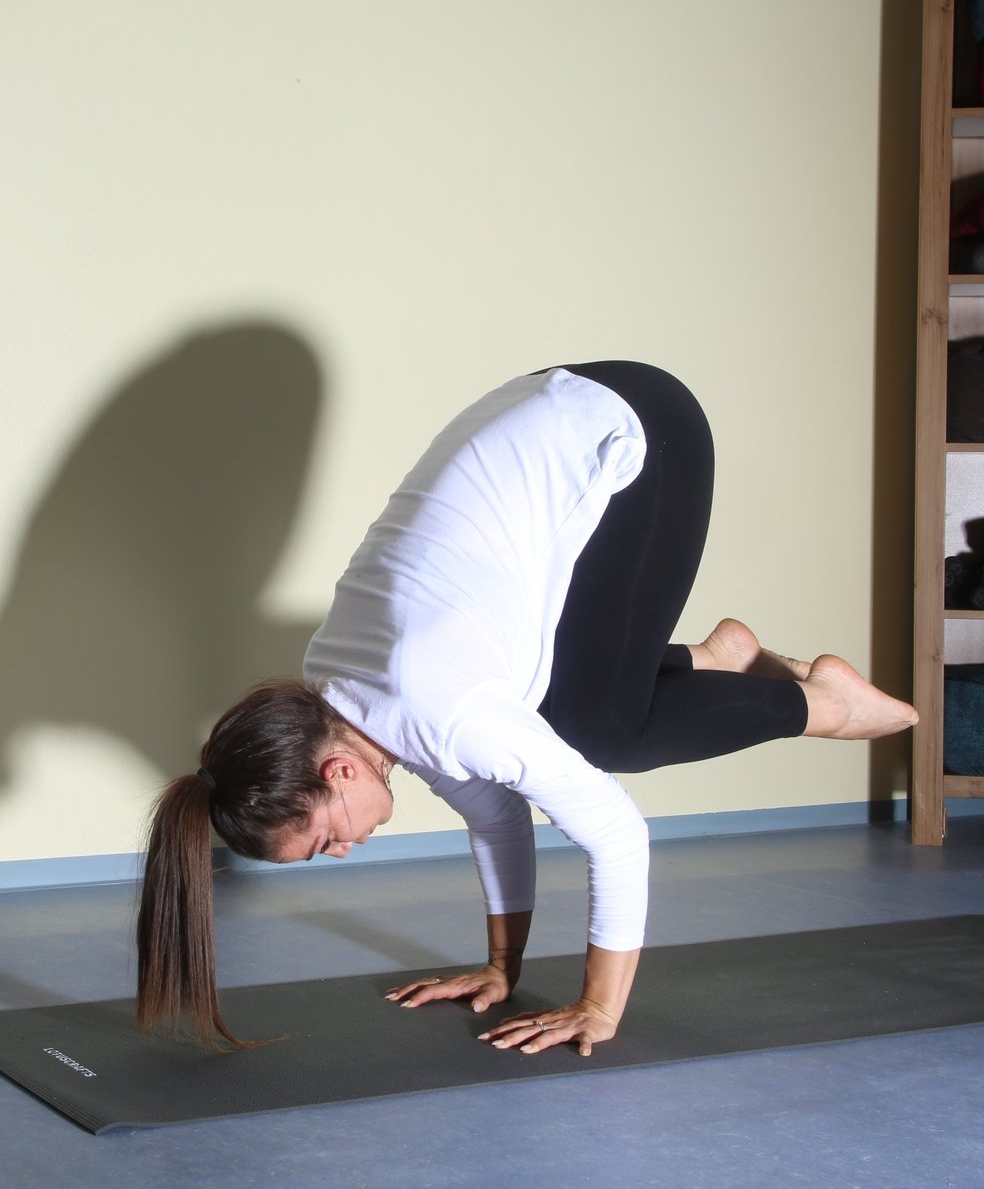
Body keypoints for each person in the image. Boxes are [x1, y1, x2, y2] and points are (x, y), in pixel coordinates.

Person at [135, 361, 917, 1055]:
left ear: (337, 770)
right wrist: (501, 969)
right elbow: (497, 817)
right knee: (556, 706)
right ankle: (721, 660)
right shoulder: (340, 696)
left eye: (322, 842)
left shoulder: (443, 712)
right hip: (554, 406)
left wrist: (598, 1007)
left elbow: (615, 833)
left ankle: (823, 704)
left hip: (636, 427)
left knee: (595, 733)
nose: (342, 854)